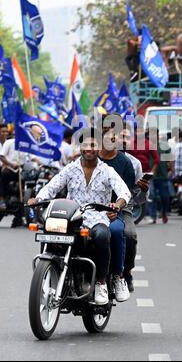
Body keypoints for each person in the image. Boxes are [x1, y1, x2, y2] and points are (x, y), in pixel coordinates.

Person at [28, 128, 131, 306]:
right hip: (72, 218)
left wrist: (118, 204)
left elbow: (124, 192)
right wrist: (37, 198)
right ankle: (49, 274)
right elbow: (52, 187)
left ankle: (100, 282)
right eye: (85, 144)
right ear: (80, 147)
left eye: (93, 144)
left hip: (98, 218)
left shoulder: (107, 171)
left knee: (102, 235)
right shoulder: (71, 168)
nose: (89, 148)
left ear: (99, 147)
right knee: (48, 230)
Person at [99, 126, 136, 302]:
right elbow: (61, 183)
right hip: (88, 210)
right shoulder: (81, 161)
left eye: (116, 137)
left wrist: (116, 207)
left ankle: (121, 274)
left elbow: (126, 193)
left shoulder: (127, 163)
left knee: (124, 233)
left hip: (117, 210)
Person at [121, 124, 149, 292]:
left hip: (122, 209)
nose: (122, 140)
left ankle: (126, 271)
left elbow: (139, 198)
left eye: (126, 137)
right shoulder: (96, 158)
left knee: (129, 235)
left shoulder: (134, 164)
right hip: (93, 208)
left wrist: (143, 188)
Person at [148, 129, 171, 224]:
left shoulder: (164, 146)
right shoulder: (146, 146)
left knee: (164, 197)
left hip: (163, 175)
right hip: (151, 176)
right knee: (151, 196)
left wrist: (170, 170)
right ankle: (153, 216)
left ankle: (164, 213)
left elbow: (169, 161)